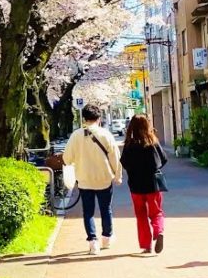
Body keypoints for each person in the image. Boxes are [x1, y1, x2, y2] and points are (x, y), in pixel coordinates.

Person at [62, 104, 123, 255]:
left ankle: (92, 242)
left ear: (84, 118)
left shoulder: (76, 135)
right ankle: (107, 238)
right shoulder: (105, 134)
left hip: (84, 179)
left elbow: (66, 158)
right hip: (103, 179)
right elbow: (115, 157)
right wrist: (117, 175)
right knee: (105, 209)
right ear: (99, 118)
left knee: (88, 211)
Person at [120, 114, 167, 255]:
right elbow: (163, 159)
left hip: (135, 185)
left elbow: (124, 163)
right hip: (153, 184)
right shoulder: (153, 142)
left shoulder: (129, 144)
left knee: (141, 215)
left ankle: (146, 246)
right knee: (156, 212)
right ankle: (159, 231)